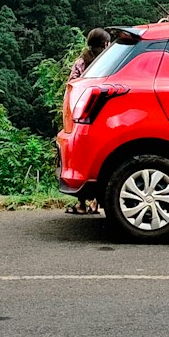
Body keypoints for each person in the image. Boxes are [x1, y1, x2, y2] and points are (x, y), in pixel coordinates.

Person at [63, 28, 111, 215]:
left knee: (84, 159)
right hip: (103, 115)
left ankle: (82, 203)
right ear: (105, 44)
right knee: (101, 158)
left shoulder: (81, 62)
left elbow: (72, 84)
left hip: (83, 115)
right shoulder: (107, 62)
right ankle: (96, 204)